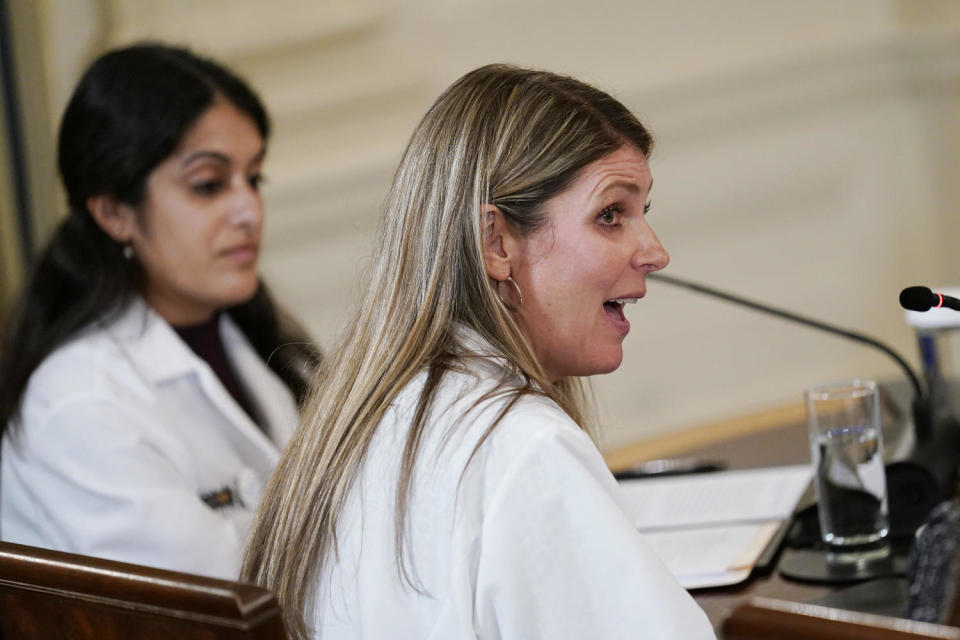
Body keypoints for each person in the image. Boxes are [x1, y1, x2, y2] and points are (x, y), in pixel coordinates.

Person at [242, 64, 715, 638]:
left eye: (644, 214)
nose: (654, 252)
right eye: (610, 215)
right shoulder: (522, 444)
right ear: (495, 243)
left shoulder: (370, 414)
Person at [0, 42, 320, 579]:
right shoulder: (79, 400)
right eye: (208, 185)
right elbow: (203, 608)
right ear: (113, 212)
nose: (249, 209)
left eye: (254, 178)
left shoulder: (248, 334)